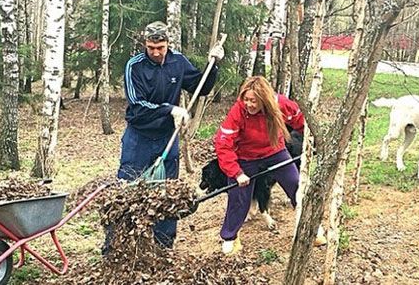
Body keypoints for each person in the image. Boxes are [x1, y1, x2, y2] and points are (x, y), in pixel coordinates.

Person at [114, 21, 224, 249]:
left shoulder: (178, 62)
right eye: (151, 47)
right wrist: (170, 109)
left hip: (167, 137)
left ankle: (163, 246)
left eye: (160, 47)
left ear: (167, 44)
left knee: (167, 192)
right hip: (139, 138)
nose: (155, 52)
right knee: (128, 189)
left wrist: (213, 66)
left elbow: (201, 87)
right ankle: (120, 244)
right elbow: (137, 106)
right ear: (145, 44)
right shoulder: (134, 66)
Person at [214, 76, 305, 255]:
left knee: (296, 184)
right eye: (245, 99)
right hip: (245, 156)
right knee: (238, 196)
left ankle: (310, 227)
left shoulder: (280, 104)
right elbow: (223, 144)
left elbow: (301, 120)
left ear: (264, 99)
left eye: (253, 101)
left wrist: (312, 139)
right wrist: (236, 172)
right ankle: (230, 237)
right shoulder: (238, 111)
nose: (248, 104)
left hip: (275, 150)